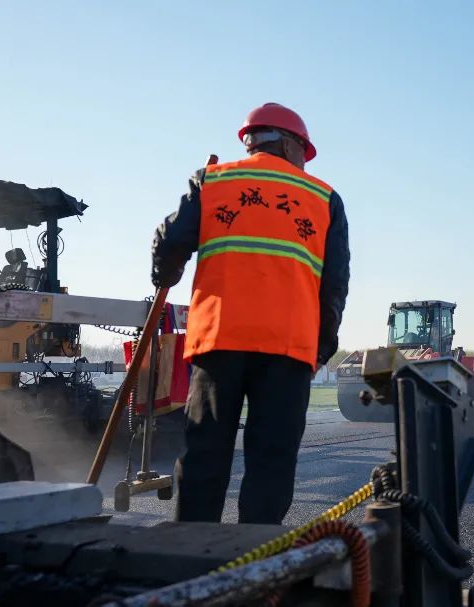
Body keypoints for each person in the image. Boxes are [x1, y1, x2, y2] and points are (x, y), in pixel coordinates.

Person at [152, 103, 350, 524]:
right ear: (291, 144)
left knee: (205, 452)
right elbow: (334, 286)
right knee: (271, 460)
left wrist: (165, 274)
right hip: (288, 348)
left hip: (220, 340)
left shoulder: (214, 182)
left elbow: (169, 243)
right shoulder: (323, 199)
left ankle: (192, 557)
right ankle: (257, 566)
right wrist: (322, 349)